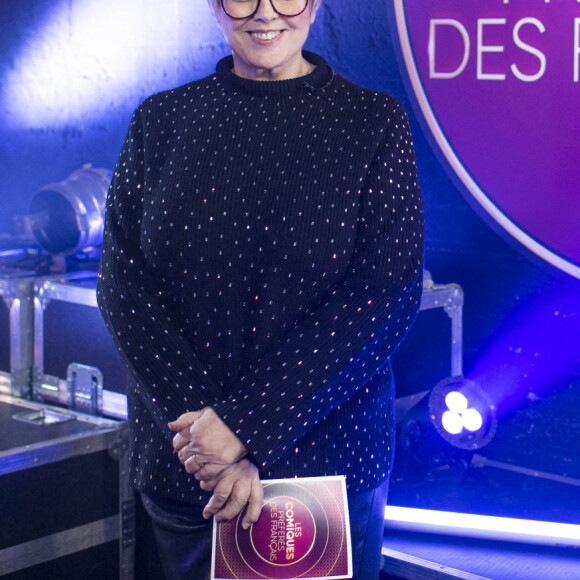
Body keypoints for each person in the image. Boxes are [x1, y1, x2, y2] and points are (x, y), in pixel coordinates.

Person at [97, 0, 424, 578]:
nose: (265, 13)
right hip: (189, 472)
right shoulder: (160, 121)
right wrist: (208, 442)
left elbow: (383, 296)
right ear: (215, 7)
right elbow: (123, 288)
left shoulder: (373, 122)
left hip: (325, 472)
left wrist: (244, 426)